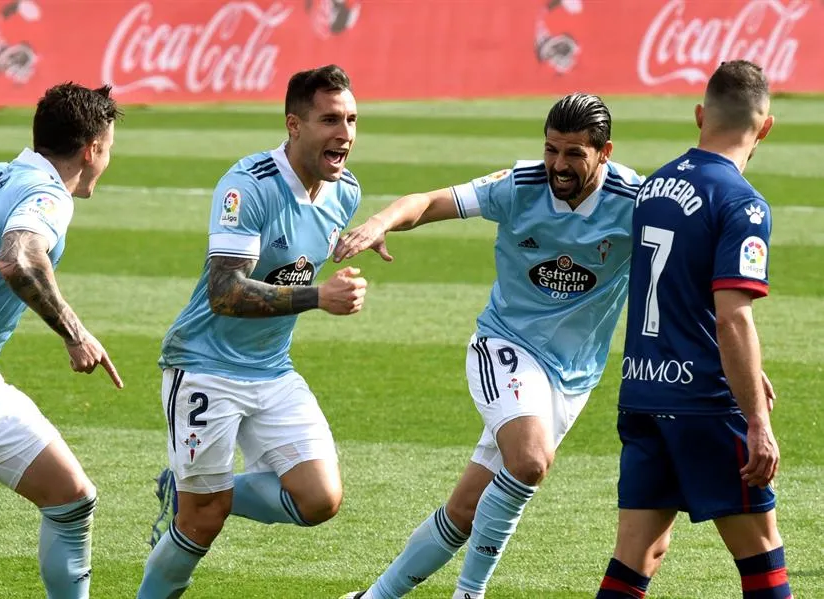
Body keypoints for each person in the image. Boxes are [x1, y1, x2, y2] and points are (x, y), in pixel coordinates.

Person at [335, 93, 644, 599]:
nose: (558, 166)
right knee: (529, 462)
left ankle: (375, 597)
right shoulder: (520, 184)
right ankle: (470, 594)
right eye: (551, 150)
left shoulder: (634, 200)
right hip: (507, 344)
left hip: (574, 375)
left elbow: (688, 268)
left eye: (573, 154)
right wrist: (380, 223)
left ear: (604, 152)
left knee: (466, 509)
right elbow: (431, 201)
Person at [137, 64, 367, 598]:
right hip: (204, 367)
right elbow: (225, 293)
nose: (346, 133)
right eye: (330, 119)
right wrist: (318, 297)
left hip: (271, 370)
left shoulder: (344, 191)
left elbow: (304, 247)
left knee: (319, 500)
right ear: (293, 125)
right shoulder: (248, 186)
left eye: (352, 119)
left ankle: (190, 489)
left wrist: (356, 245)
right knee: (202, 523)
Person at [594, 60, 792, 599]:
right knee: (761, 552)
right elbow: (731, 315)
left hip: (642, 391)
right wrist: (755, 419)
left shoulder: (654, 185)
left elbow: (681, 297)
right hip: (703, 401)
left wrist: (750, 371)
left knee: (639, 554)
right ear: (766, 127)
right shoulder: (742, 202)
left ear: (701, 115)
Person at [0, 82, 123, 598]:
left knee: (71, 498)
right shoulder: (47, 194)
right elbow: (17, 258)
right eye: (110, 146)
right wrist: (75, 335)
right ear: (92, 148)